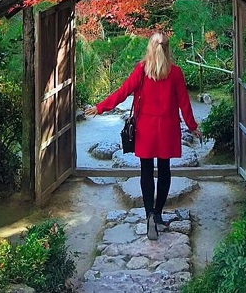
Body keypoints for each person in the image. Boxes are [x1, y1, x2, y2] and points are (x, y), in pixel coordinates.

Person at [85, 32, 202, 240]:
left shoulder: (141, 70)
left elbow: (122, 92)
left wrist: (100, 107)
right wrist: (193, 127)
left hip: (146, 128)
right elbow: (184, 104)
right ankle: (157, 214)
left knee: (146, 171)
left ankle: (148, 214)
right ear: (167, 49)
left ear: (150, 47)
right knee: (164, 170)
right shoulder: (175, 73)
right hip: (167, 128)